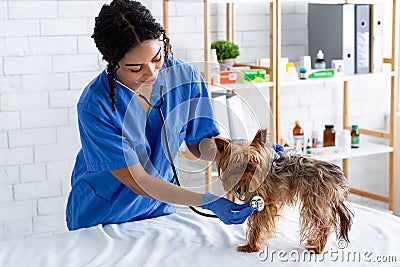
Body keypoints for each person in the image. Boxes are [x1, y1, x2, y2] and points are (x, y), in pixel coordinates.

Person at [66, 0, 255, 231]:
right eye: (136, 68)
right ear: (113, 62)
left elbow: (201, 146)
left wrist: (239, 149)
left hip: (159, 211)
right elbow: (139, 181)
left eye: (157, 58)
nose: (152, 72)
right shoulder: (95, 104)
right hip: (103, 217)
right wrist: (206, 200)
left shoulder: (185, 77)